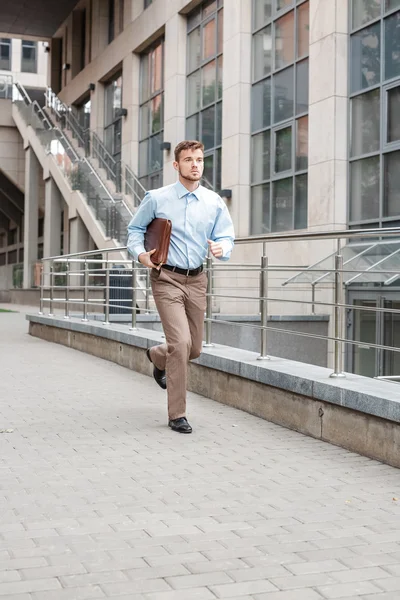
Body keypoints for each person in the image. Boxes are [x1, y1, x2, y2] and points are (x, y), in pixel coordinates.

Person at [127, 140, 235, 434]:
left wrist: (221, 248)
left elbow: (227, 236)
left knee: (194, 348)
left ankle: (157, 355)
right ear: (176, 165)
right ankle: (178, 414)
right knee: (182, 344)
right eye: (188, 160)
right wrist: (140, 254)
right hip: (166, 279)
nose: (195, 164)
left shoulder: (213, 202)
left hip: (197, 280)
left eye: (199, 159)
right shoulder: (157, 198)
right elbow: (135, 230)